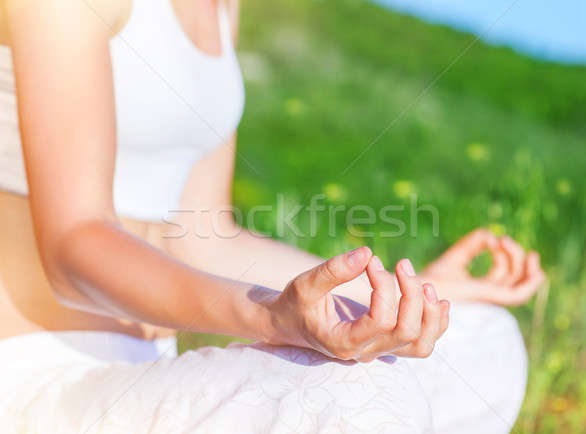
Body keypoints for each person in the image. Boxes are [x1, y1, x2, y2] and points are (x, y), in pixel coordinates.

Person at [0, 0, 546, 432]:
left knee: (481, 342)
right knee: (357, 391)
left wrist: (401, 295)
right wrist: (268, 318)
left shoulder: (218, 7)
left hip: (147, 363)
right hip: (36, 379)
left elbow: (204, 238)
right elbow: (74, 243)